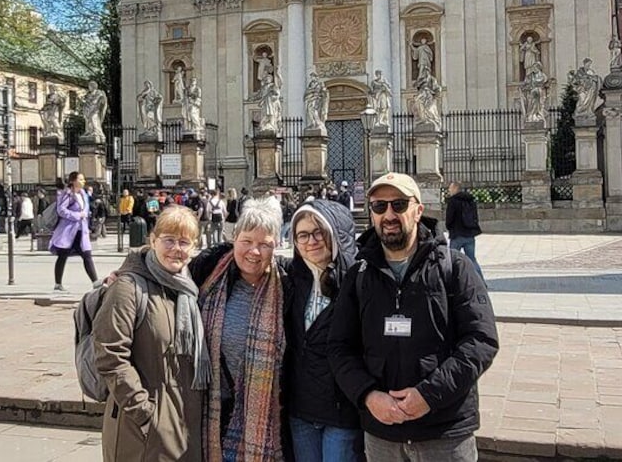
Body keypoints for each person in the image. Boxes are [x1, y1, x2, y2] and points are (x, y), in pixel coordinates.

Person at [328, 173, 498, 462]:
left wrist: (429, 395)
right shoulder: (359, 274)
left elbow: (481, 341)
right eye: (379, 207)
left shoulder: (454, 267)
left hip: (444, 433)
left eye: (399, 204)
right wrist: (369, 396)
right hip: (383, 433)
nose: (389, 214)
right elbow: (339, 347)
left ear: (418, 210)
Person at [93, 205, 208, 462]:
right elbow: (110, 356)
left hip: (185, 422)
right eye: (168, 240)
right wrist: (145, 415)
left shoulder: (189, 290)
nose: (176, 248)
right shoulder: (127, 287)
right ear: (152, 240)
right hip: (141, 427)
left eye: (183, 242)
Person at [189, 197, 287, 461]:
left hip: (266, 417)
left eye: (264, 244)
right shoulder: (207, 271)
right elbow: (163, 265)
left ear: (276, 246)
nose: (254, 252)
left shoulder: (288, 284)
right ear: (234, 238)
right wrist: (131, 268)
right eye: (246, 241)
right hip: (212, 411)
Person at [285, 199, 363, 462]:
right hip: (301, 409)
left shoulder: (358, 282)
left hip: (342, 411)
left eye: (320, 232)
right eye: (303, 235)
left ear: (335, 235)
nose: (312, 241)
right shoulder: (291, 280)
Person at [49, 171, 98, 291]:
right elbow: (61, 210)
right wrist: (76, 215)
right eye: (81, 179)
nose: (83, 181)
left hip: (81, 230)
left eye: (83, 179)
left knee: (87, 254)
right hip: (69, 230)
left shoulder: (83, 194)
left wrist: (85, 215)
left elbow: (85, 209)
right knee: (63, 255)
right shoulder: (67, 194)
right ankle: (58, 283)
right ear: (73, 181)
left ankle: (96, 282)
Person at [445, 181, 484, 281]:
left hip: (457, 234)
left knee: (451, 259)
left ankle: (449, 282)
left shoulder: (453, 201)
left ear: (455, 188)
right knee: (472, 259)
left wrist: (449, 227)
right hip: (469, 234)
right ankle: (480, 281)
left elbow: (449, 218)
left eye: (450, 188)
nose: (449, 190)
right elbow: (475, 216)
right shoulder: (470, 200)